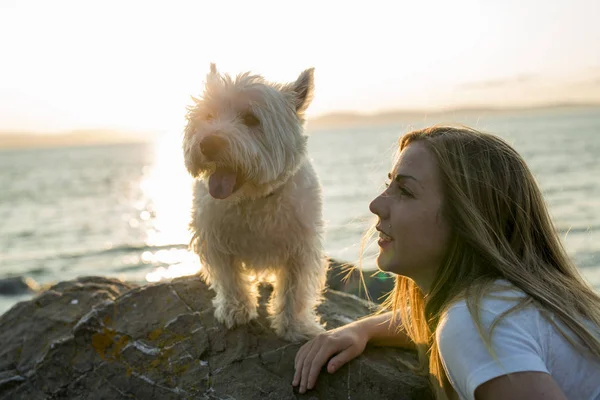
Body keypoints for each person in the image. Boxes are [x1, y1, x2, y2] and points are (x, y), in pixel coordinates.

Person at [292, 126, 600, 400]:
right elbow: (438, 318)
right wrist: (364, 329)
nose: (376, 205)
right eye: (389, 185)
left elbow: (473, 329)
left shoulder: (473, 324)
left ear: (467, 221)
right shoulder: (524, 302)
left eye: (405, 191)